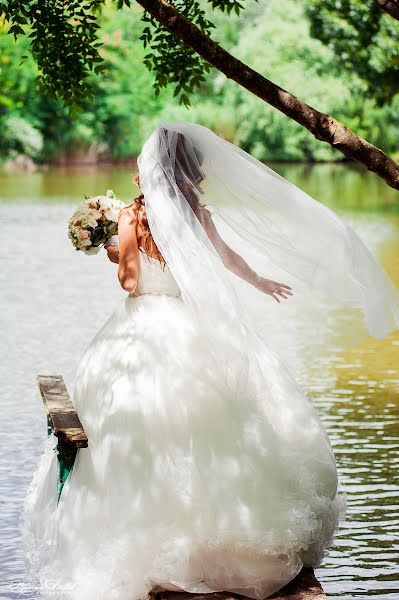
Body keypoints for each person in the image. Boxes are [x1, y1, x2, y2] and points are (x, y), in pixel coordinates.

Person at [22, 121, 399, 600]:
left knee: (134, 424)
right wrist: (260, 281)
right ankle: (226, 536)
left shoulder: (131, 218)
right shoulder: (194, 209)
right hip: (188, 323)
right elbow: (223, 256)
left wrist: (113, 251)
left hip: (141, 327)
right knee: (216, 423)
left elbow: (130, 283)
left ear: (149, 170)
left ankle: (150, 538)